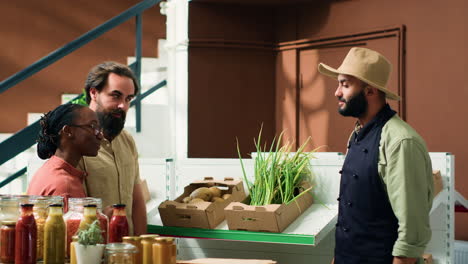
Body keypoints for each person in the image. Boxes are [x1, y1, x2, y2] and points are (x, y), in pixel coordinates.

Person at [318, 47, 434, 264]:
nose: (337, 92)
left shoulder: (400, 141)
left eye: (345, 84)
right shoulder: (358, 134)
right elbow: (353, 216)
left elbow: (412, 229)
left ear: (369, 91)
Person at [77, 61, 147, 235]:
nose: (123, 105)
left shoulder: (127, 140)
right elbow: (72, 210)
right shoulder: (75, 142)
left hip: (127, 251)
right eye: (116, 96)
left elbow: (137, 200)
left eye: (128, 98)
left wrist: (140, 246)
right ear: (94, 92)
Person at [27, 103, 103, 211]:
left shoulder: (49, 169)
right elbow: (72, 228)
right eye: (92, 126)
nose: (100, 135)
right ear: (68, 131)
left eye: (99, 128)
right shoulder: (66, 187)